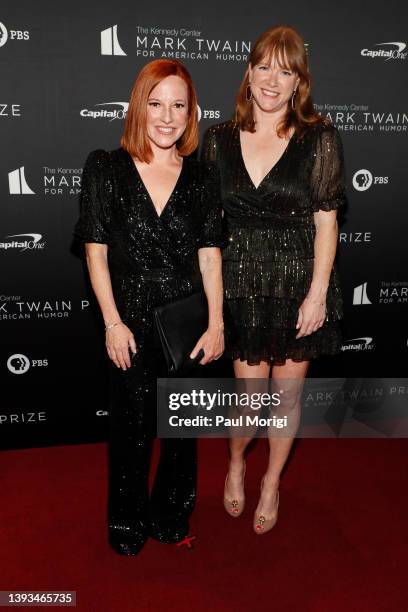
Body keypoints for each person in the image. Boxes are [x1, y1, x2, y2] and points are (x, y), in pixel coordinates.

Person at [74, 59, 225, 555]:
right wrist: (112, 322)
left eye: (178, 105)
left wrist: (217, 322)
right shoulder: (106, 167)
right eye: (156, 103)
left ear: (190, 113)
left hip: (186, 316)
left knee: (182, 428)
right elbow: (95, 251)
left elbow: (210, 254)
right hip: (131, 315)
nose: (167, 116)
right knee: (133, 427)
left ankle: (171, 513)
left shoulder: (202, 178)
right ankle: (126, 523)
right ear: (140, 107)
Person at [201, 25, 346, 534]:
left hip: (297, 287)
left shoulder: (319, 138)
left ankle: (271, 481)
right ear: (248, 72)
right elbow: (205, 228)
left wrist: (317, 296)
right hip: (241, 287)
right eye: (264, 66)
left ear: (298, 83)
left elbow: (327, 222)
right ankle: (238, 462)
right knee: (249, 402)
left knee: (285, 401)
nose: (271, 79)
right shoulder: (217, 140)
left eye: (284, 71)